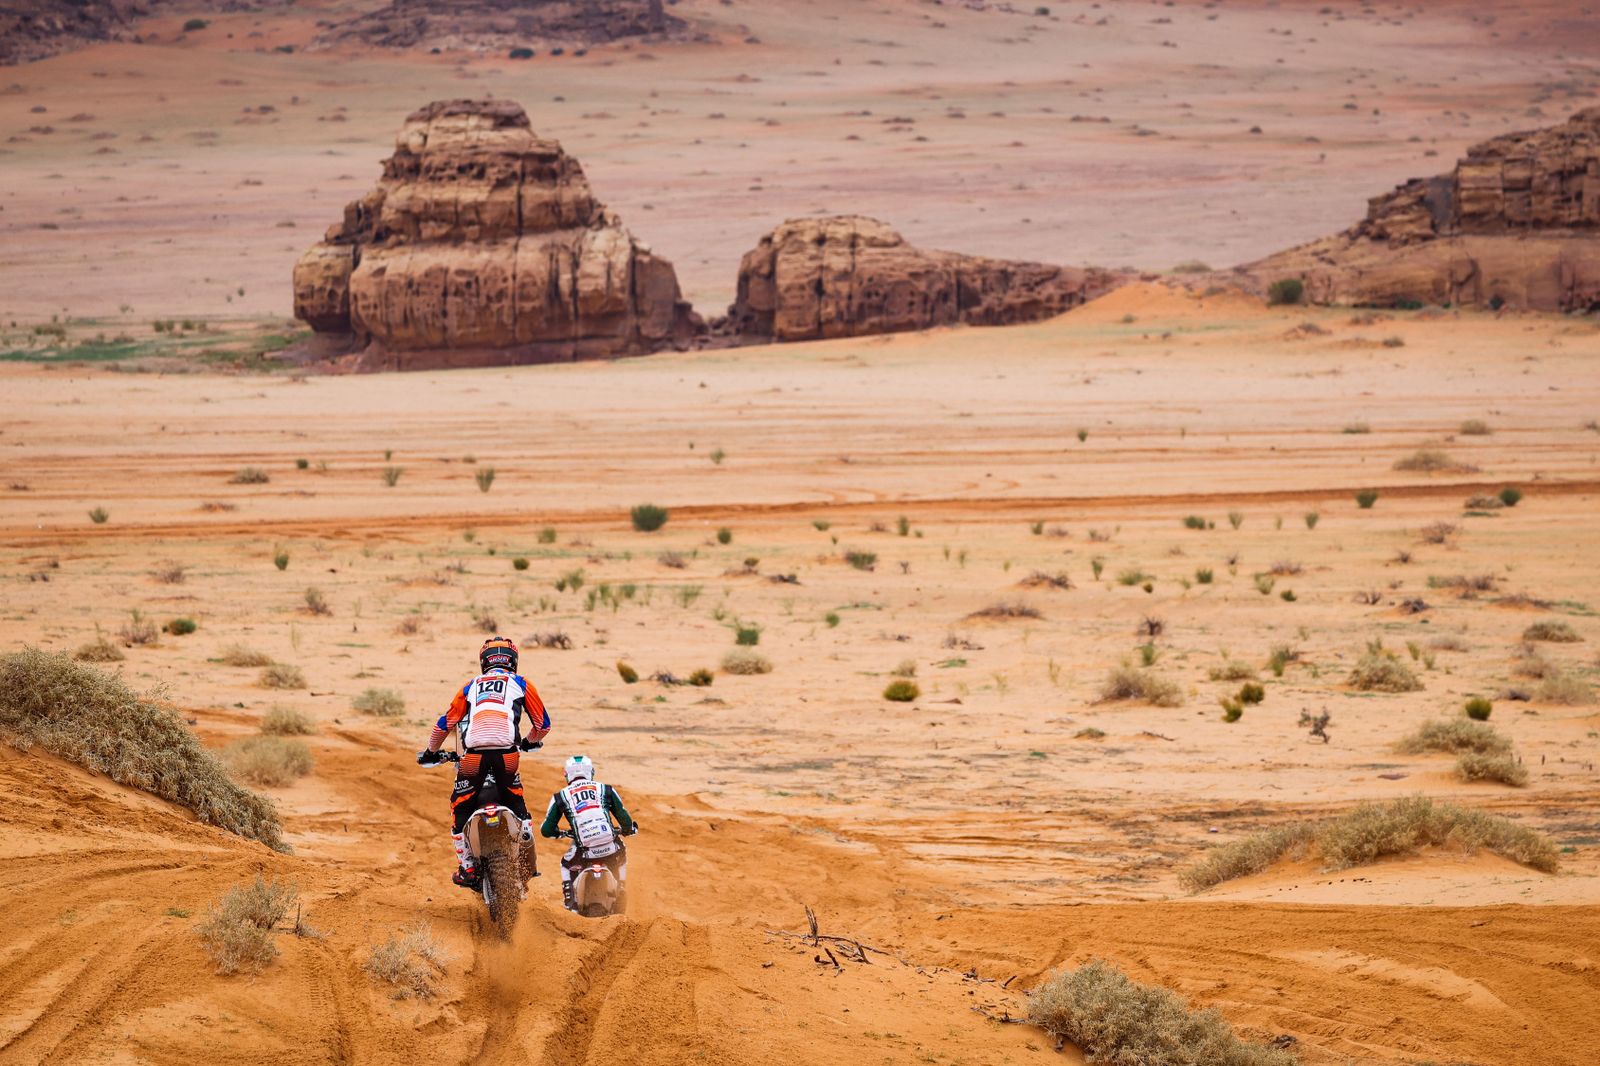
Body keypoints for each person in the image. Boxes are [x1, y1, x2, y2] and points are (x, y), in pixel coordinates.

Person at [417, 637, 551, 889]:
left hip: (474, 755)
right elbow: (543, 725)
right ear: (513, 661)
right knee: (516, 800)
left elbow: (444, 724)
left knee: (460, 806)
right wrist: (529, 742)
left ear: (484, 662)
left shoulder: (470, 686)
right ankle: (526, 852)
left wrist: (430, 752)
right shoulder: (521, 683)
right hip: (507, 754)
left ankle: (467, 867)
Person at [541, 754, 635, 913]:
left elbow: (546, 830)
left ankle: (570, 902)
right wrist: (628, 829)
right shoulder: (605, 789)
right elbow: (623, 816)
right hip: (610, 846)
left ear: (567, 774)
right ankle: (621, 888)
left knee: (566, 865)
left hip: (585, 851)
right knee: (622, 853)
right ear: (591, 772)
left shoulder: (561, 796)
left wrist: (558, 833)